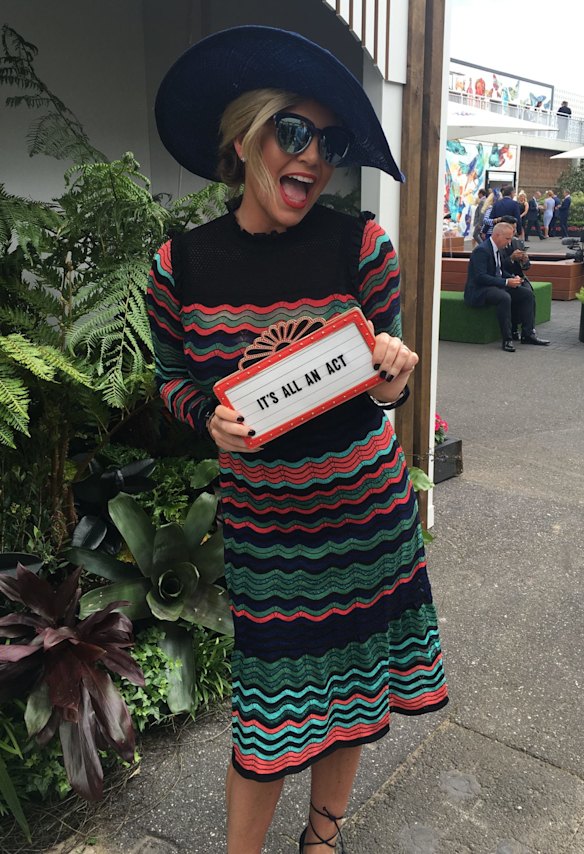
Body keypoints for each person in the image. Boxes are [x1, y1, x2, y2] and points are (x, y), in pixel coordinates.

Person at [148, 26, 448, 854]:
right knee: (268, 719)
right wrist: (205, 417)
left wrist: (392, 380)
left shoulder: (362, 246)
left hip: (366, 522)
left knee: (353, 692)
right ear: (245, 137)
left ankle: (322, 839)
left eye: (332, 142)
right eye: (294, 131)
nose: (313, 156)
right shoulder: (180, 266)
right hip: (268, 536)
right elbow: (169, 378)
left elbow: (388, 380)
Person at [464, 221, 550, 351]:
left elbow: (499, 271)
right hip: (479, 290)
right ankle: (507, 339)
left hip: (494, 285)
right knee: (504, 297)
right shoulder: (481, 250)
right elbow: (480, 277)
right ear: (497, 235)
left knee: (526, 294)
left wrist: (512, 278)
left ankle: (528, 334)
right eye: (507, 239)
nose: (509, 242)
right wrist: (506, 282)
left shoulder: (498, 249)